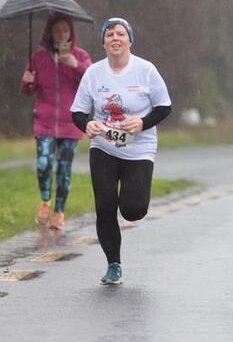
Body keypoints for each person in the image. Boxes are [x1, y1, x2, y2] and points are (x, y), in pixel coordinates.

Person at [71, 18, 172, 285]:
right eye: (109, 34)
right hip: (104, 147)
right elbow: (78, 112)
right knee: (105, 207)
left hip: (139, 148)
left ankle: (132, 204)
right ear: (103, 43)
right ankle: (113, 264)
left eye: (120, 34)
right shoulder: (93, 73)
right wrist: (87, 124)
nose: (115, 38)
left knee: (132, 210)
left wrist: (142, 123)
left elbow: (164, 107)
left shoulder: (146, 70)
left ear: (130, 40)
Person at [19, 13, 92, 230]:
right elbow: (28, 90)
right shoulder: (38, 57)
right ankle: (45, 201)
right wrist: (27, 82)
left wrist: (75, 65)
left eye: (65, 30)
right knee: (43, 164)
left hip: (71, 123)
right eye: (57, 30)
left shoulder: (80, 56)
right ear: (50, 33)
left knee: (63, 169)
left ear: (71, 34)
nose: (61, 34)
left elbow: (93, 81)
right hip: (45, 122)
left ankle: (59, 213)